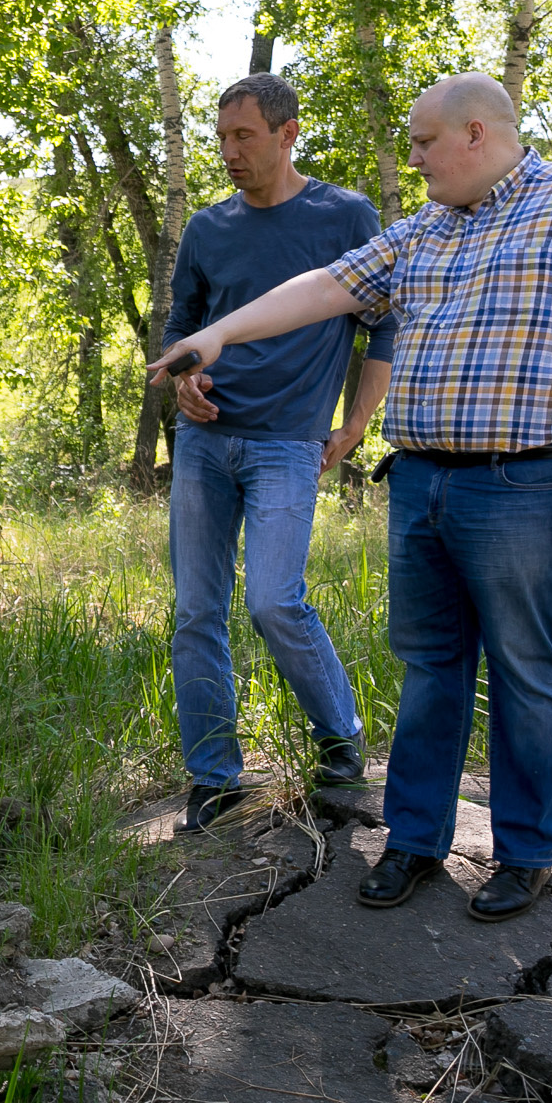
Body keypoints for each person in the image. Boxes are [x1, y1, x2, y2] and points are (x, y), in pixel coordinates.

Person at [145, 72, 552, 921]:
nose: (416, 158)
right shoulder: (426, 228)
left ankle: (526, 855)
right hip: (423, 477)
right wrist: (214, 334)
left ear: (476, 134)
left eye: (426, 143)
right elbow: (323, 288)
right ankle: (416, 840)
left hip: (531, 480)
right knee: (430, 668)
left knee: (526, 669)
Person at [162, 73, 392, 833]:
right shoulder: (207, 228)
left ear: (289, 133)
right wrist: (182, 387)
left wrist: (355, 424)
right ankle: (213, 777)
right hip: (203, 444)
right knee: (197, 610)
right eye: (222, 137)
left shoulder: (344, 216)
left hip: (289, 445)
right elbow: (182, 328)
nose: (229, 152)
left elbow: (385, 323)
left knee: (272, 601)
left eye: (244, 137)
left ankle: (340, 739)